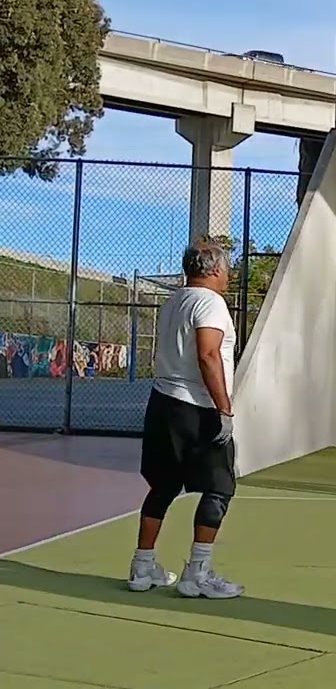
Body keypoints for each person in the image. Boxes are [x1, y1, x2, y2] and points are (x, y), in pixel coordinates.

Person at [126, 238, 244, 600]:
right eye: (227, 267)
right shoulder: (210, 303)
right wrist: (224, 408)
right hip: (196, 407)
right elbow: (208, 355)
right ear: (215, 269)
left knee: (163, 486)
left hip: (163, 403)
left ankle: (142, 567)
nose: (229, 274)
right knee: (219, 487)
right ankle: (198, 574)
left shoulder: (174, 301)